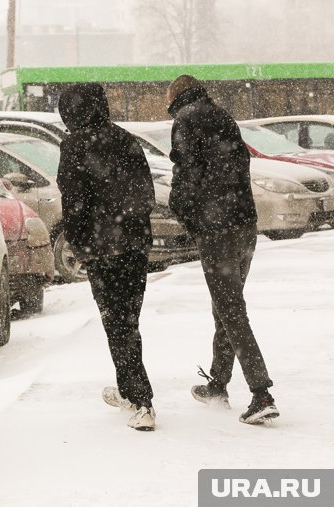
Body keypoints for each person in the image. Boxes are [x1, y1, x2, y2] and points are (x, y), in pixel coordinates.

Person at [166, 75, 280, 425]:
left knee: (231, 309)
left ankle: (261, 393)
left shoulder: (186, 120)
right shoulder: (223, 117)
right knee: (227, 305)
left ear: (175, 94)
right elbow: (236, 168)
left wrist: (185, 213)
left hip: (217, 231)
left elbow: (186, 177)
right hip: (244, 225)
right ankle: (218, 384)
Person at [57, 83, 157, 431]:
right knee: (128, 320)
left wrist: (81, 245)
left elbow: (74, 202)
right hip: (133, 245)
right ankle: (130, 390)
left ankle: (141, 400)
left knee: (116, 323)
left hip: (103, 249)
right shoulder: (126, 139)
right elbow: (146, 194)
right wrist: (133, 228)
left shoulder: (74, 145)